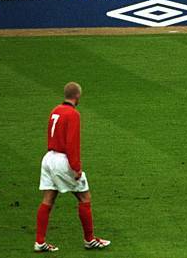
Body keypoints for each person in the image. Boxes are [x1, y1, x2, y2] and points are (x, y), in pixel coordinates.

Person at [34, 82, 110, 252]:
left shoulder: (55, 110)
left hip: (48, 158)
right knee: (85, 198)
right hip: (63, 160)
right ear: (78, 96)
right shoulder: (73, 114)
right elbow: (72, 143)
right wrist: (76, 168)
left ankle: (40, 241)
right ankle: (89, 239)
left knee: (48, 199)